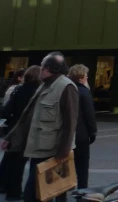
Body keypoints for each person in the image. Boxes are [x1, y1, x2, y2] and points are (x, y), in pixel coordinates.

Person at [2, 52, 78, 202]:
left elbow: (70, 122)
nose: (40, 70)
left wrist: (63, 152)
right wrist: (11, 137)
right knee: (41, 193)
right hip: (38, 148)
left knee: (38, 193)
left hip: (52, 151)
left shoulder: (66, 87)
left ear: (48, 69)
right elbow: (27, 117)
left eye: (42, 67)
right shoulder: (43, 86)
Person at [0, 66, 41, 201]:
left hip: (14, 130)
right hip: (29, 131)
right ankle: (15, 192)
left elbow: (5, 111)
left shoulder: (19, 90)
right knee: (21, 162)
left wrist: (13, 121)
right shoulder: (40, 92)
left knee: (12, 160)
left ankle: (8, 188)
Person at [68, 64, 97, 191]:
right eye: (86, 76)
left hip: (67, 134)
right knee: (82, 166)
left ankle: (61, 194)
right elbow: (89, 115)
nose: (87, 78)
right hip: (81, 135)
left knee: (66, 166)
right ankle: (82, 192)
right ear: (81, 78)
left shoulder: (66, 89)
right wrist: (92, 132)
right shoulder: (84, 92)